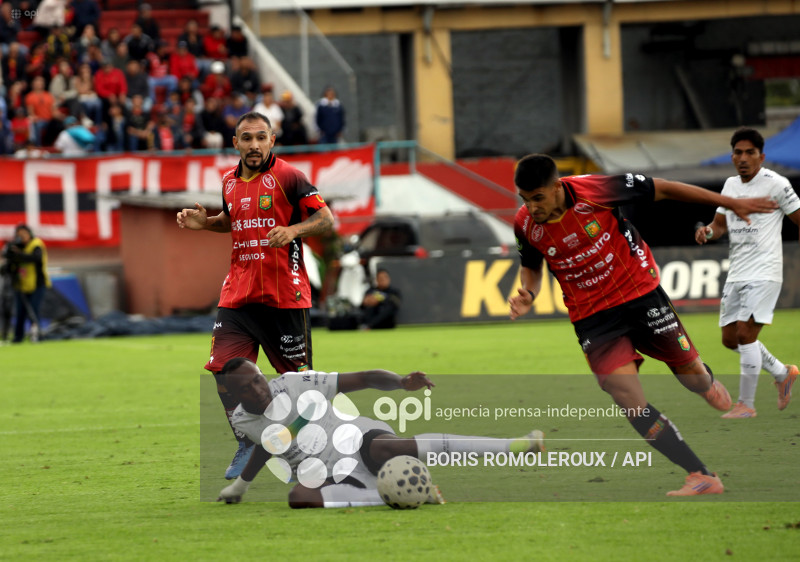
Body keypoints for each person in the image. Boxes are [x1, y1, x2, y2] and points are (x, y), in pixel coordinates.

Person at [508, 153, 779, 496]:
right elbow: (531, 264)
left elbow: (662, 188)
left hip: (638, 292)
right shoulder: (524, 224)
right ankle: (700, 475)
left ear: (557, 187)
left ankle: (705, 381)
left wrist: (730, 203)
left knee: (692, 378)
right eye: (525, 199)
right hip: (593, 316)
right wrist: (529, 293)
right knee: (627, 397)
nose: (531, 207)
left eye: (538, 198)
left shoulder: (596, 190)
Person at [176, 112, 335, 480]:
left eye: (261, 137)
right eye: (246, 138)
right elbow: (231, 220)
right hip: (238, 295)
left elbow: (326, 219)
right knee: (222, 370)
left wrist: (293, 230)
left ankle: (319, 451)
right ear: (235, 143)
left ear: (272, 140)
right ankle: (246, 440)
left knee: (299, 385)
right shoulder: (229, 182)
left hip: (284, 296)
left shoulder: (289, 176)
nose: (254, 145)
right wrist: (205, 224)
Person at [215, 357, 544, 507]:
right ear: (234, 396)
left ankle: (514, 445)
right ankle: (398, 493)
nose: (258, 390)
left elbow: (364, 378)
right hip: (328, 474)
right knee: (299, 498)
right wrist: (240, 487)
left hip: (357, 440)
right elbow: (266, 444)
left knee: (390, 449)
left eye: (258, 379)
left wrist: (400, 382)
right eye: (246, 388)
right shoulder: (242, 421)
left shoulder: (294, 383)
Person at [695, 127, 800, 418]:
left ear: (761, 157)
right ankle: (782, 373)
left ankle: (746, 404)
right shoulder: (730, 185)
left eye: (750, 153)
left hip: (765, 270)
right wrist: (707, 232)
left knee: (745, 334)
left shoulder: (777, 184)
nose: (743, 158)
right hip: (737, 271)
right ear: (732, 157)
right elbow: (719, 225)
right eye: (738, 152)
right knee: (730, 339)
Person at [6, 225, 51, 343]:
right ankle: (18, 337)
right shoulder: (17, 246)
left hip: (37, 284)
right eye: (19, 235)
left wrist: (19, 255)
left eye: (24, 234)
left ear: (29, 234)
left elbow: (36, 258)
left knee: (33, 310)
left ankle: (36, 335)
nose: (22, 237)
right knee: (20, 312)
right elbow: (10, 264)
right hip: (21, 284)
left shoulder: (36, 244)